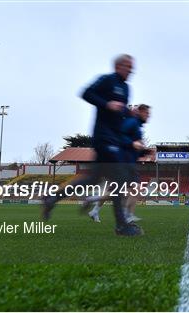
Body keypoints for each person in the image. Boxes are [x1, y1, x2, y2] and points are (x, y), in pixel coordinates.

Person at [42, 54, 144, 236]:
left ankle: (52, 199)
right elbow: (86, 93)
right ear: (119, 66)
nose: (131, 70)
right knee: (119, 182)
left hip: (114, 140)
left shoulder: (126, 88)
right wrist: (106, 104)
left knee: (92, 180)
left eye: (132, 67)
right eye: (128, 67)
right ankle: (122, 225)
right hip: (104, 138)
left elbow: (120, 112)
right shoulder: (107, 80)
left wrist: (129, 113)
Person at [87, 104, 151, 223]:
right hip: (125, 163)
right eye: (147, 113)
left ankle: (94, 206)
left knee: (115, 191)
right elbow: (120, 136)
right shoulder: (132, 122)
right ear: (140, 112)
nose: (149, 116)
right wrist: (133, 144)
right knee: (134, 189)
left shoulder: (137, 126)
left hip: (126, 162)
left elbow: (132, 147)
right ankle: (127, 215)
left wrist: (143, 152)